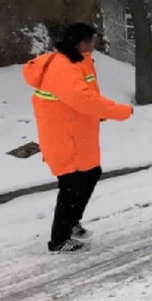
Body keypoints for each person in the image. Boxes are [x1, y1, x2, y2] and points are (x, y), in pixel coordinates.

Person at [22, 23, 133, 253]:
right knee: (71, 184)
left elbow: (84, 97)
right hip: (64, 135)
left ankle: (71, 223)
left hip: (78, 132)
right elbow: (84, 99)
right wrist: (118, 111)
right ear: (81, 43)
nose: (94, 44)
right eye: (92, 40)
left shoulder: (78, 60)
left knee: (91, 173)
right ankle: (59, 240)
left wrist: (97, 115)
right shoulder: (62, 67)